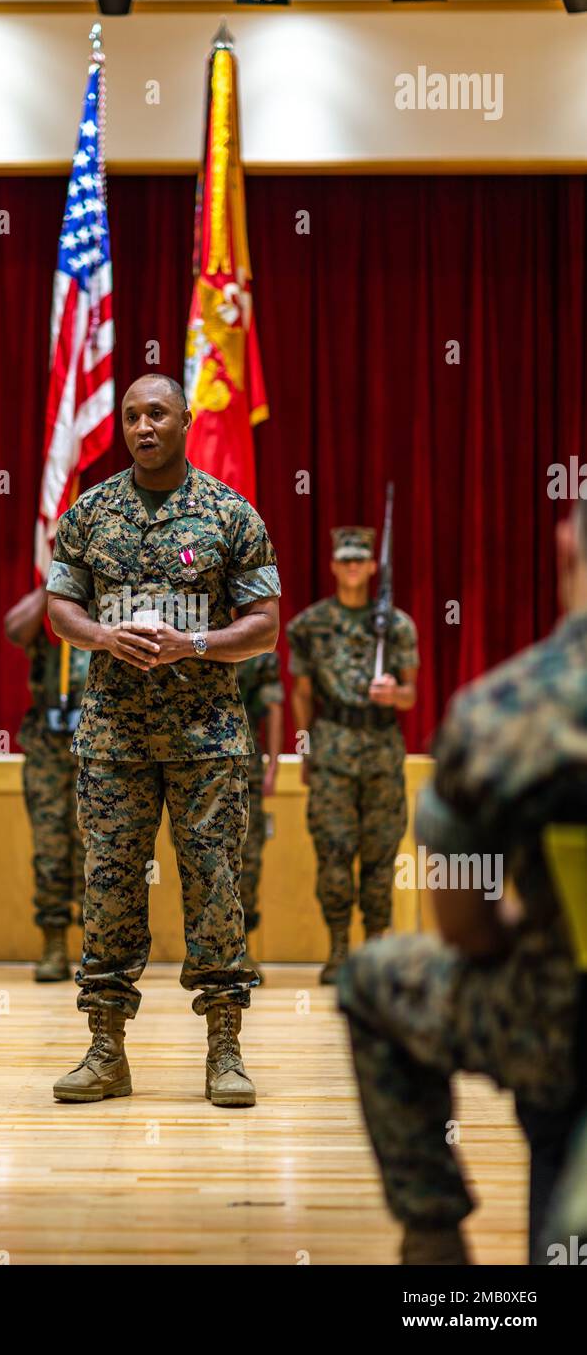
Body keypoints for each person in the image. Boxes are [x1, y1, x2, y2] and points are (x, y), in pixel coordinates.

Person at [337, 499, 587, 1265]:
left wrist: (526, 925)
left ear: (566, 546)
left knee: (373, 977)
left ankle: (434, 1240)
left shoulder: (503, 712)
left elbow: (465, 929)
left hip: (559, 1024)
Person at [45, 373, 281, 1107]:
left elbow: (266, 624)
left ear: (185, 422)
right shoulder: (91, 513)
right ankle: (106, 1050)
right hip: (114, 738)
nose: (143, 426)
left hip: (206, 738)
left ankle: (225, 1052)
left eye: (158, 414)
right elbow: (59, 607)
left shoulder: (229, 513)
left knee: (215, 886)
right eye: (132, 416)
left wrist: (197, 643)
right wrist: (102, 636)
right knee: (110, 887)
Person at [286, 528, 418, 983]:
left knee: (381, 854)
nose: (353, 566)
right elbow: (301, 693)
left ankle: (377, 945)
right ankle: (340, 947)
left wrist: (394, 692)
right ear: (334, 566)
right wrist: (304, 749)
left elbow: (411, 695)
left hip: (381, 748)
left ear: (372, 566)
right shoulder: (309, 625)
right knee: (334, 852)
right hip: (333, 748)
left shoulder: (396, 626)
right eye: (346, 560)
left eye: (361, 559)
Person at [4, 585, 90, 981]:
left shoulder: (111, 598)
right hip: (48, 744)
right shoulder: (49, 608)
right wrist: (50, 588)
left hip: (100, 740)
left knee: (103, 850)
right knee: (50, 846)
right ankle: (54, 944)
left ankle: (99, 950)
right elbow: (14, 630)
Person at [235, 650, 284, 984]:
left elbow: (275, 707)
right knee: (200, 864)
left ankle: (243, 948)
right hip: (194, 764)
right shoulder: (189, 631)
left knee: (247, 861)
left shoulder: (257, 648)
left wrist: (274, 766)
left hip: (246, 762)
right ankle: (207, 952)